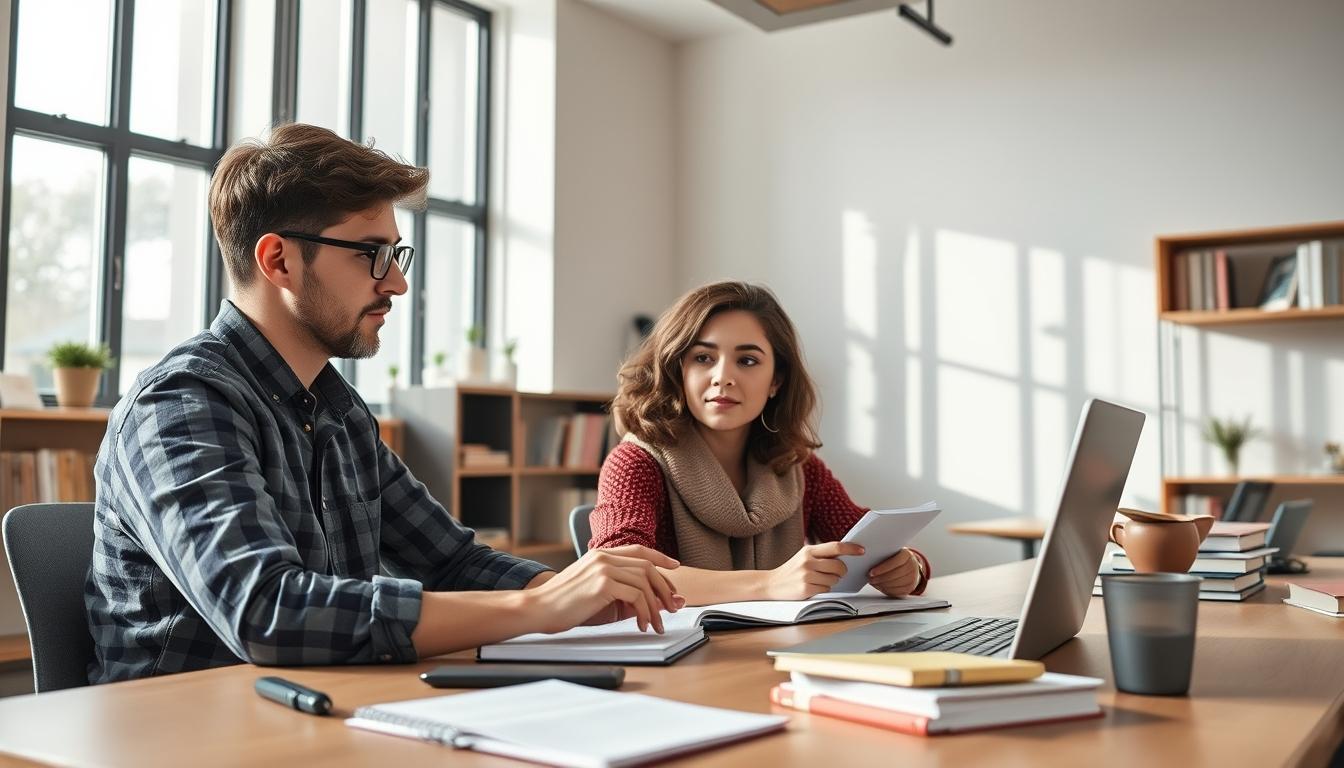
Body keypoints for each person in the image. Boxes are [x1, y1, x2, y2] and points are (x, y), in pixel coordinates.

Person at [86, 124, 680, 684]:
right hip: (186, 735)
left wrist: (581, 592)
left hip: (321, 715)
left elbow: (449, 561)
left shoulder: (339, 410)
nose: (396, 282)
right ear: (278, 261)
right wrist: (538, 607)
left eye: (397, 254)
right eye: (371, 254)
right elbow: (267, 612)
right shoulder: (178, 404)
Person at [591, 281, 931, 605]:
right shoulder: (634, 463)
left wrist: (910, 569)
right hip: (680, 656)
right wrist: (769, 584)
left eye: (748, 360)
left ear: (776, 381)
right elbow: (618, 574)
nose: (723, 376)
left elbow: (868, 542)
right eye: (703, 358)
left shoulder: (797, 467)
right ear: (678, 370)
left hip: (778, 648)